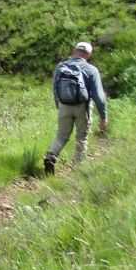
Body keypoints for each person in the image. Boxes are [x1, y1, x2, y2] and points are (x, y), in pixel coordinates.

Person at [44, 41, 108, 175]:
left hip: (64, 106)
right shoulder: (91, 70)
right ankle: (77, 170)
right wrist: (103, 116)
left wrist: (59, 105)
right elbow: (99, 96)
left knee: (61, 136)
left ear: (74, 51)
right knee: (81, 138)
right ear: (88, 55)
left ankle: (50, 156)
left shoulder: (61, 66)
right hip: (82, 107)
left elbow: (55, 89)